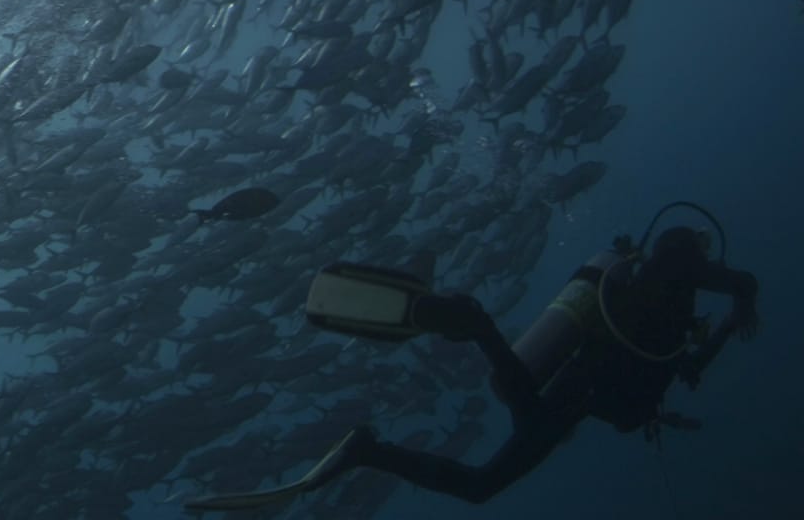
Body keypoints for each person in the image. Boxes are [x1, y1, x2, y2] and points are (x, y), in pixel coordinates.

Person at [186, 207, 759, 512]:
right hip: (583, 384)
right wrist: (746, 303)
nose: (702, 263)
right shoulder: (677, 270)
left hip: (580, 391)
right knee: (491, 466)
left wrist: (720, 334)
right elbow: (742, 280)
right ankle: (477, 325)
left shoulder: (670, 309)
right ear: (685, 249)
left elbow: (674, 367)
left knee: (482, 483)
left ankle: (371, 449)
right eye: (699, 252)